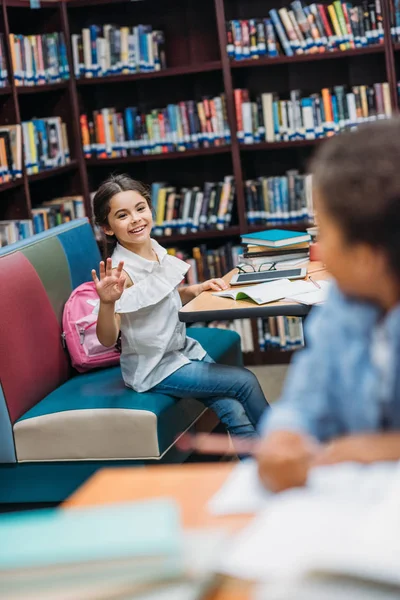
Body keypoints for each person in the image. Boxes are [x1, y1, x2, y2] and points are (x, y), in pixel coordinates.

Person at [256, 118, 400, 492]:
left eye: (322, 229)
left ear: (368, 258)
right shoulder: (341, 305)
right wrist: (284, 435)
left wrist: (381, 449)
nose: (316, 247)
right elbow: (305, 399)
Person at [91, 174, 268, 440]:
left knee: (234, 410)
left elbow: (158, 297)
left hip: (182, 351)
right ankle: (287, 451)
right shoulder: (121, 274)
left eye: (140, 209)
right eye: (123, 215)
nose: (136, 219)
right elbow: (107, 338)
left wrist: (194, 290)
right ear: (107, 228)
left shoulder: (153, 248)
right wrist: (107, 303)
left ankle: (265, 475)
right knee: (244, 381)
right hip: (156, 368)